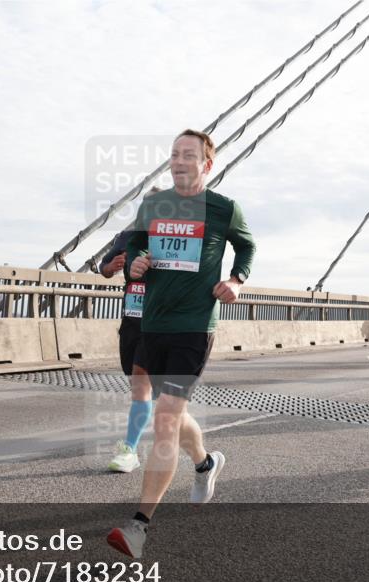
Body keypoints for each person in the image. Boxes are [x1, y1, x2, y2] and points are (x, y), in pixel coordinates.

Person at [107, 129, 255, 559]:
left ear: (207, 164)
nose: (178, 160)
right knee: (171, 414)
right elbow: (134, 241)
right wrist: (135, 261)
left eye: (188, 155)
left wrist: (235, 279)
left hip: (194, 325)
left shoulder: (223, 208)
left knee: (166, 419)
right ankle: (206, 463)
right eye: (174, 154)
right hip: (153, 322)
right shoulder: (152, 205)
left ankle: (138, 527)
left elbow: (247, 246)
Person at [98, 187, 161, 473]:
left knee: (140, 381)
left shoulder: (172, 238)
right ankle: (158, 406)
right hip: (131, 320)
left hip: (158, 321)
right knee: (137, 382)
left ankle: (130, 449)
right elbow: (105, 267)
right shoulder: (126, 237)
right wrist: (111, 266)